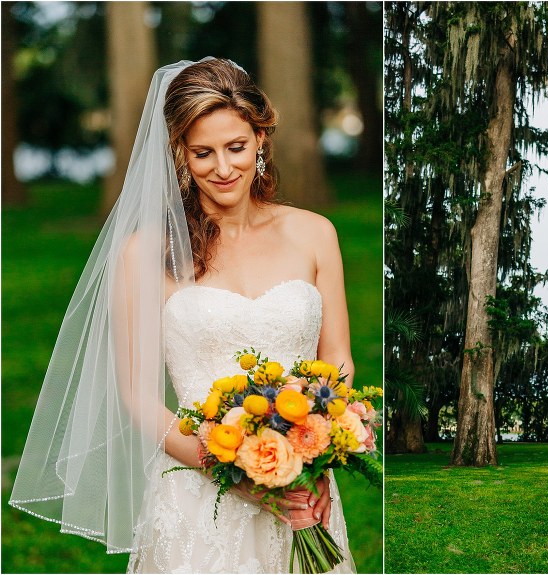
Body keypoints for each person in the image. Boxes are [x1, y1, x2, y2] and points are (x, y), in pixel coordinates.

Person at [9, 58, 356, 573]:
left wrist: (318, 459)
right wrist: (234, 473)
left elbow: (339, 362)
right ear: (179, 153)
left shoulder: (315, 234)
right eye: (202, 152)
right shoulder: (145, 253)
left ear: (261, 136)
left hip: (304, 501)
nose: (223, 168)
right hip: (196, 505)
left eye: (236, 147)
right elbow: (136, 396)